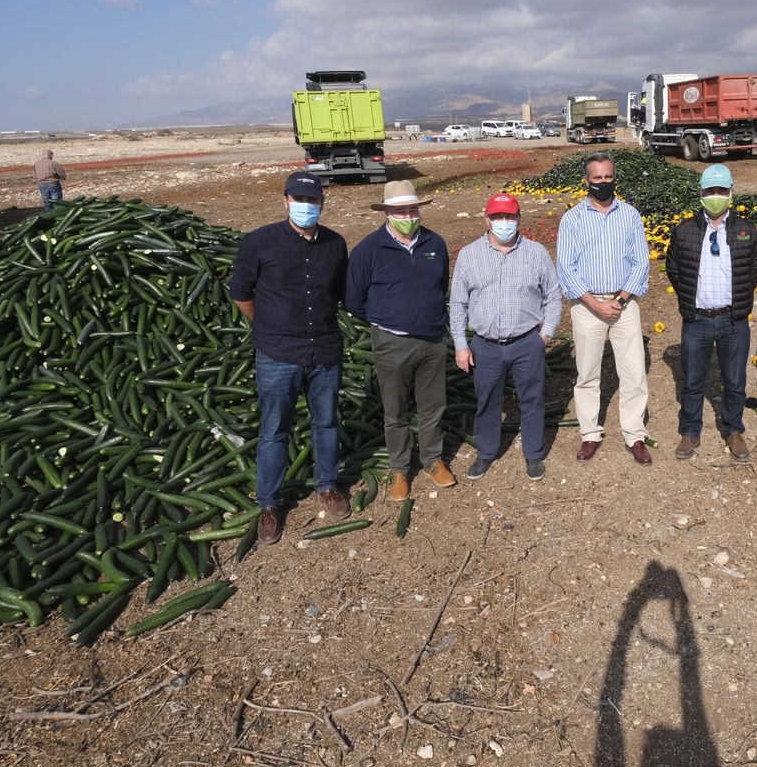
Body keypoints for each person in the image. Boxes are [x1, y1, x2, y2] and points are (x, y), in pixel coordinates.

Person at [230, 171, 350, 544]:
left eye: (313, 201)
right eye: (299, 200)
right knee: (274, 430)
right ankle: (269, 503)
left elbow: (340, 292)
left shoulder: (335, 243)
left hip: (325, 349)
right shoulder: (260, 242)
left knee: (327, 423)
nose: (306, 207)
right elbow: (240, 293)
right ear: (285, 201)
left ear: (322, 204)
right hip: (278, 353)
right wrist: (267, 326)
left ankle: (327, 485)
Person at [346, 180, 456, 501]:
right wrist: (388, 319)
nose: (408, 215)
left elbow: (441, 286)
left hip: (432, 340)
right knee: (395, 411)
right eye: (400, 211)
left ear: (419, 209)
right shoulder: (368, 249)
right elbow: (354, 299)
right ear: (387, 213)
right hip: (391, 343)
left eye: (412, 209)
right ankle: (399, 469)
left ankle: (433, 460)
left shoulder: (435, 242)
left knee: (433, 405)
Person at [450, 192, 562, 481]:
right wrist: (461, 345)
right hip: (485, 345)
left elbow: (553, 296)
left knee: (532, 399)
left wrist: (545, 334)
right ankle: (486, 453)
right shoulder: (469, 255)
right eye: (497, 217)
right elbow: (458, 303)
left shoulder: (536, 253)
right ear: (486, 219)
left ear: (518, 218)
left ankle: (533, 454)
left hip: (527, 342)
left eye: (509, 216)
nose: (504, 222)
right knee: (487, 400)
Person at [555, 152, 653, 464]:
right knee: (587, 373)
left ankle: (635, 434)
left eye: (608, 177)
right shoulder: (572, 219)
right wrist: (595, 304)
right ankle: (589, 433)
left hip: (624, 304)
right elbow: (566, 268)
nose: (603, 183)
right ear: (587, 181)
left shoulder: (630, 215)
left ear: (614, 178)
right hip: (587, 305)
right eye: (597, 178)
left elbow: (641, 262)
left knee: (634, 371)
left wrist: (620, 301)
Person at [663, 165, 757, 463]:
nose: (716, 196)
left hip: (733, 320)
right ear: (701, 193)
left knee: (735, 380)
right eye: (710, 191)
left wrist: (740, 299)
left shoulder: (746, 230)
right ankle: (690, 431)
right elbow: (673, 268)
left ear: (731, 192)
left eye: (721, 191)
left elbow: (756, 267)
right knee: (693, 379)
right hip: (698, 320)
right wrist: (689, 299)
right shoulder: (685, 231)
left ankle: (733, 430)